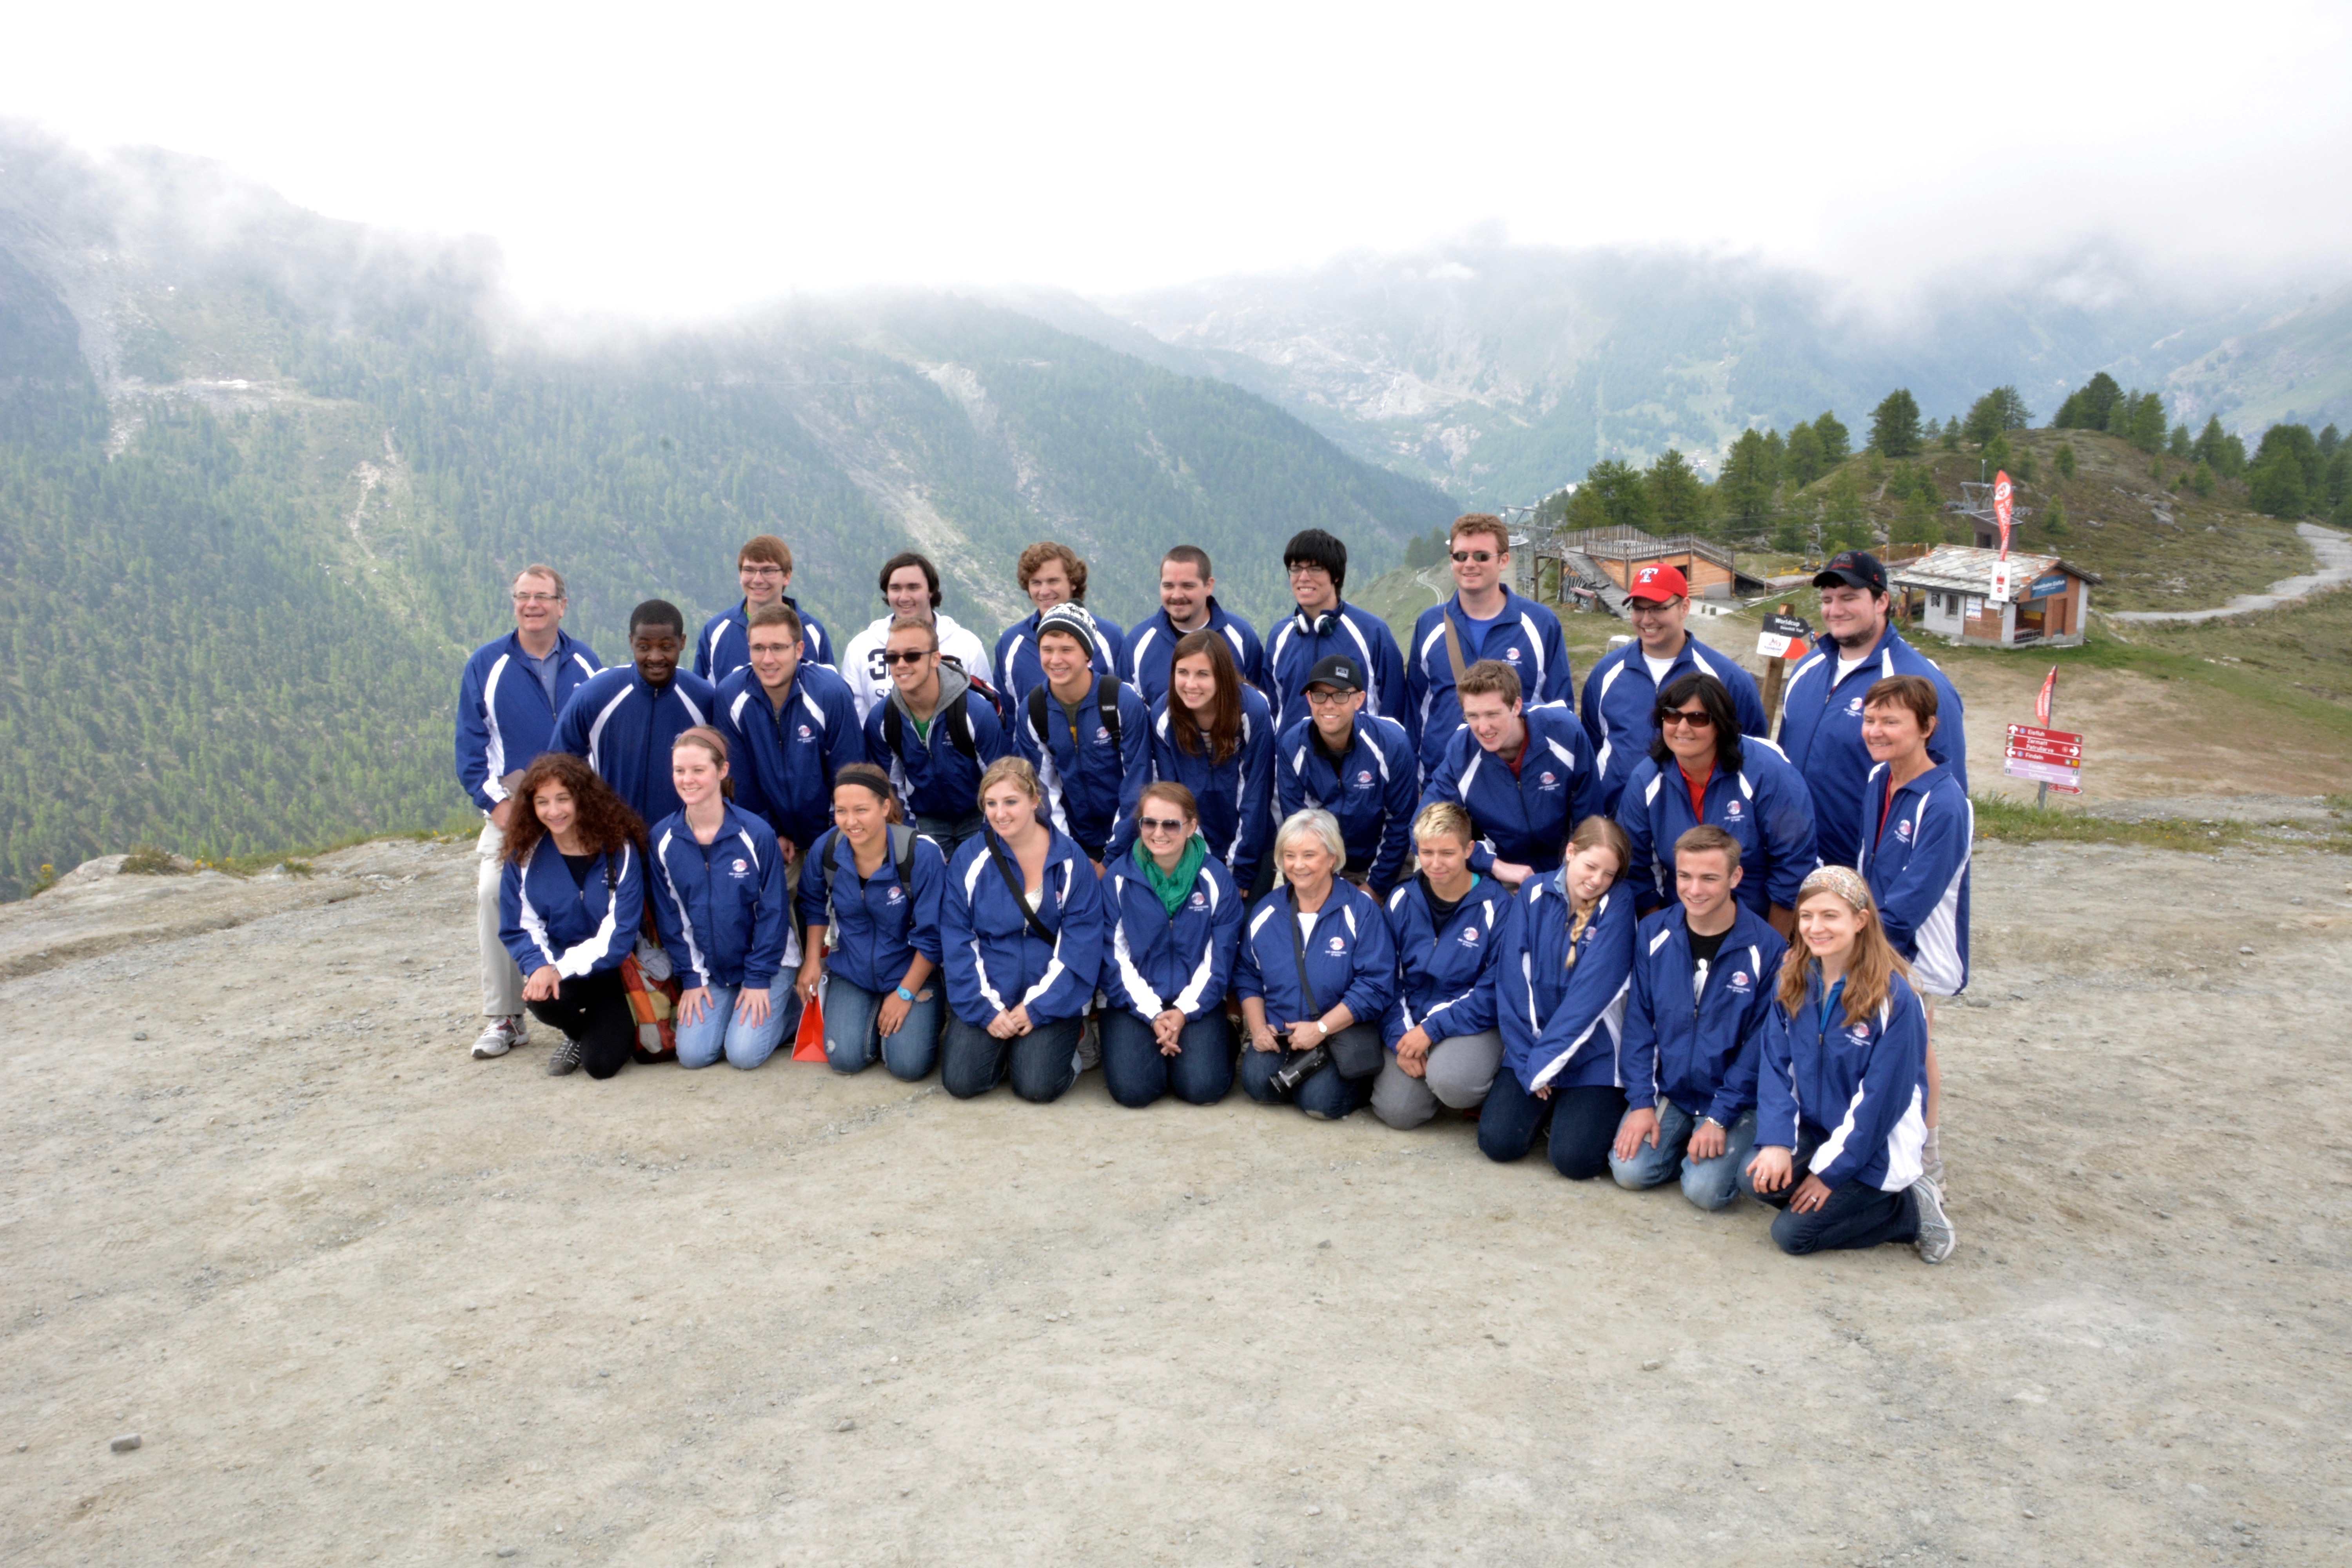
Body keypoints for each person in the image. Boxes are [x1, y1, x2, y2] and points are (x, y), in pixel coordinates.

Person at [1740, 866, 1954, 1262]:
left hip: (1877, 1142)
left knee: (1792, 1235)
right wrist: (1777, 1142)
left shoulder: (1894, 998)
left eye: (1830, 916)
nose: (1815, 927)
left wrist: (1828, 1175)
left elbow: (1881, 1102)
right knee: (1755, 1179)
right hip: (1821, 1128)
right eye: (1807, 916)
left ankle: (1909, 1211)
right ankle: (1845, 1198)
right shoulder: (1792, 979)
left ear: (1860, 921)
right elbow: (1776, 1069)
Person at [455, 564, 603, 1060]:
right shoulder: (487, 664)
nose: (531, 605)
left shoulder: (586, 663)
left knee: (590, 895)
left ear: (563, 604)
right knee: (494, 892)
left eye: (542, 596)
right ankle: (506, 1016)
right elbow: (471, 749)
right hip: (514, 811)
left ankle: (589, 1002)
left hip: (577, 812)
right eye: (523, 596)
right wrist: (498, 807)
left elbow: (599, 739)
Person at [1608, 826, 1788, 1209]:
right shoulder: (1654, 932)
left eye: (1709, 878)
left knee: (1705, 1192)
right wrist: (1641, 1103)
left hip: (1734, 1099)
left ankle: (1715, 1145)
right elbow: (1639, 1023)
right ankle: (1683, 1145)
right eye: (1685, 876)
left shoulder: (1768, 948)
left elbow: (1761, 1046)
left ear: (1735, 877)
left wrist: (1720, 1118)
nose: (1694, 889)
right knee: (1629, 1172)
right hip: (1672, 1090)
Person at [1777, 550, 1967, 870]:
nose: (1835, 610)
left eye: (1849, 598)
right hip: (1793, 864)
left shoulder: (1920, 681)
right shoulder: (1806, 668)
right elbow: (1783, 765)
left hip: (1866, 874)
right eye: (1827, 600)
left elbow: (1949, 797)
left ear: (1882, 602)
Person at [1857, 674, 1972, 1188]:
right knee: (1893, 1049)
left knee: (1916, 1054)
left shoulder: (1944, 803)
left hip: (1915, 952)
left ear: (1927, 727)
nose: (1876, 731)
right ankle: (1886, 1149)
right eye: (1870, 719)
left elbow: (1914, 898)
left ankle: (1929, 1165)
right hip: (1876, 939)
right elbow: (1867, 864)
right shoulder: (1878, 779)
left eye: (1891, 721)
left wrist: (1855, 946)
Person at [939, 757, 1106, 1103]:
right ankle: (1009, 1050)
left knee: (1036, 1087)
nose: (1000, 814)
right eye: (991, 804)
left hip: (1050, 993)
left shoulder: (1072, 860)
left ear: (1034, 800)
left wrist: (1037, 1008)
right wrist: (985, 1009)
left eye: (1011, 802)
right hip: (990, 990)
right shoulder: (970, 858)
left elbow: (1081, 946)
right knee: (962, 1082)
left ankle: (1072, 1042)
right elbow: (958, 939)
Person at [1481, 817, 1638, 1177]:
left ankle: (1576, 1111)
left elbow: (1591, 998)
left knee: (1574, 1161)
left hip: (1594, 1051)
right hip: (1532, 1045)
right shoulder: (1533, 892)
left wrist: (1542, 1066)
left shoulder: (1619, 902)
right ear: (1570, 852)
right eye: (1590, 866)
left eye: (1609, 873)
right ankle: (1555, 1109)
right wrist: (1528, 1059)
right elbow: (1513, 981)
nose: (1597, 880)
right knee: (1498, 1143)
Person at [1616, 672, 1817, 934]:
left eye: (1698, 718)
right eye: (1672, 716)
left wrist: (1774, 946)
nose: (1682, 728)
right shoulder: (1646, 780)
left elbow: (1794, 864)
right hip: (1681, 924)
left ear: (1721, 725)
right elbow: (1637, 868)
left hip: (1760, 922)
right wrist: (1662, 937)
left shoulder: (1769, 774)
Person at [646, 728, 797, 1071]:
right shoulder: (663, 839)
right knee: (693, 1056)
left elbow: (773, 913)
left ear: (722, 770)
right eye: (680, 771)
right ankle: (738, 1015)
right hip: (714, 970)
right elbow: (672, 918)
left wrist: (758, 979)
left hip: (768, 964)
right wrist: (693, 978)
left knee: (743, 1055)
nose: (688, 780)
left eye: (698, 770)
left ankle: (790, 1007)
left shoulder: (756, 834)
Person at [1236, 809, 1398, 1122]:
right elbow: (1247, 973)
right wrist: (1257, 1028)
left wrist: (1321, 1029)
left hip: (1338, 1033)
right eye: (1290, 855)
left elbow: (1375, 986)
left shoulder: (1361, 911)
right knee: (1258, 1085)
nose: (1298, 865)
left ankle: (1357, 1081)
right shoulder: (1266, 910)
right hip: (1284, 1032)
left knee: (1319, 1102)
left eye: (1309, 855)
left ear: (1333, 858)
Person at [795, 763, 949, 1082]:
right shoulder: (827, 850)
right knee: (844, 1060)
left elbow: (934, 934)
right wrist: (811, 961)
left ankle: (915, 1022)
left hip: (910, 971)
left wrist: (905, 993)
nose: (851, 822)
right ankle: (875, 1022)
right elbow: (814, 906)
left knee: (908, 1067)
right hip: (853, 972)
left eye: (862, 810)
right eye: (841, 811)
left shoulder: (919, 853)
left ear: (885, 807)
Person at [497, 753, 646, 1080]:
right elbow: (520, 926)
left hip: (612, 971)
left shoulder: (618, 850)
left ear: (583, 798)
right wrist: (540, 966)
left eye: (563, 799)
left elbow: (619, 935)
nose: (554, 811)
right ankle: (577, 1033)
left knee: (601, 1066)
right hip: (560, 967)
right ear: (531, 806)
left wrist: (557, 970)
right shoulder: (524, 855)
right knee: (540, 997)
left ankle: (606, 1029)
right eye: (543, 802)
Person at [1579, 562, 1769, 816]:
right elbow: (1592, 746)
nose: (1647, 619)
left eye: (1658, 608)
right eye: (1638, 608)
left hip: (1697, 826)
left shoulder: (1728, 678)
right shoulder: (1606, 673)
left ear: (1685, 607)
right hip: (1617, 821)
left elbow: (1753, 754)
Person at [1098, 782, 1244, 1108]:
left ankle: (1222, 1037)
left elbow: (1220, 960)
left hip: (1195, 997)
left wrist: (1182, 1011)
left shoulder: (1216, 879)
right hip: (1134, 999)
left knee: (1202, 1088)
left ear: (1192, 827)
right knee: (1134, 1091)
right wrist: (1154, 1014)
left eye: (1171, 824)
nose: (1158, 833)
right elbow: (1113, 959)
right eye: (1149, 823)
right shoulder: (1118, 879)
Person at [1369, 803, 1512, 1131]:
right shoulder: (1401, 899)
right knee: (1399, 1113)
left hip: (1470, 1021)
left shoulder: (1498, 906)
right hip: (1411, 1019)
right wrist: (1401, 1038)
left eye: (1447, 853)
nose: (1436, 863)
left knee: (1454, 1085)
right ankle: (1429, 1071)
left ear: (1469, 850)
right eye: (1427, 853)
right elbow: (1384, 978)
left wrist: (1432, 1030)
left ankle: (1481, 1070)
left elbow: (1495, 990)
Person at [1405, 513, 1573, 781]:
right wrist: (1413, 778)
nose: (1469, 564)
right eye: (1461, 556)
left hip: (1517, 780)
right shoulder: (1429, 625)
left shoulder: (1541, 625)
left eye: (1482, 556)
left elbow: (1558, 712)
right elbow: (1415, 711)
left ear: (1503, 560)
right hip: (1444, 781)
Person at [1119, 631, 1275, 894]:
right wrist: (1204, 861)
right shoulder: (1164, 715)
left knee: (1244, 917)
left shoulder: (1252, 711)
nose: (1191, 684)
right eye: (1183, 673)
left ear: (1222, 676)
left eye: (1203, 674)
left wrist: (1241, 870)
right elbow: (1176, 799)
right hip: (1193, 846)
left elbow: (1255, 795)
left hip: (1253, 847)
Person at [1420, 659, 1600, 887]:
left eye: (1492, 714)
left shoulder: (1564, 732)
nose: (1483, 728)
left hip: (1567, 867)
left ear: (1516, 707)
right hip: (1502, 876)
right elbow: (1421, 831)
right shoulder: (1462, 752)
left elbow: (1591, 818)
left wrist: (1571, 873)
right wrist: (1493, 865)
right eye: (1472, 716)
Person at [715, 601, 865, 860]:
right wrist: (771, 833)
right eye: (758, 648)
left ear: (799, 650)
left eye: (778, 648)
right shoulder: (731, 696)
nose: (768, 659)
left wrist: (833, 837)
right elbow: (739, 779)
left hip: (834, 835)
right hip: (771, 841)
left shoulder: (830, 693)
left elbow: (850, 771)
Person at [552, 599, 717, 829]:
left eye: (666, 647)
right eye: (644, 647)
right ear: (631, 642)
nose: (655, 657)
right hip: (611, 837)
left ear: (682, 642)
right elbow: (559, 765)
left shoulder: (703, 699)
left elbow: (725, 773)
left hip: (681, 839)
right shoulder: (595, 695)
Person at [1009, 604, 1151, 869]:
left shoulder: (1120, 701)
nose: (1055, 660)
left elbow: (1138, 784)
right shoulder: (1034, 710)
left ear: (1087, 653)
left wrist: (1111, 858)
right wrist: (1071, 855)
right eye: (1047, 650)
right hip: (1074, 842)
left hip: (1132, 841)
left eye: (1067, 650)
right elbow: (1043, 790)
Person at [862, 614, 1009, 857]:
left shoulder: (974, 712)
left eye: (912, 656)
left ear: (935, 659)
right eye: (892, 657)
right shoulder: (883, 720)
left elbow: (1000, 780)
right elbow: (891, 789)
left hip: (979, 813)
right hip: (925, 818)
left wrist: (989, 834)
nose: (901, 664)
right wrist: (910, 835)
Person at [1273, 654, 1418, 897]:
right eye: (1320, 695)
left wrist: (1374, 888)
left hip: (1387, 861)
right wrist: (1334, 889)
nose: (1329, 705)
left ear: (1359, 699)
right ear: (1309, 698)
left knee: (1394, 916)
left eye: (1341, 695)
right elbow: (1301, 825)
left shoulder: (1392, 744)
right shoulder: (1292, 746)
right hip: (1322, 863)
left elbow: (1400, 822)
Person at [1265, 528, 1413, 749]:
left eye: (1315, 568)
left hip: (1362, 763)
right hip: (1294, 765)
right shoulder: (1279, 636)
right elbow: (1271, 711)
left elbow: (1393, 713)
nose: (1303, 577)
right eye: (1296, 569)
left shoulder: (1372, 633)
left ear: (1335, 575)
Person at [840, 552, 994, 722]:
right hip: (884, 739)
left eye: (913, 588)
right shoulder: (860, 648)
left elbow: (986, 710)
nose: (904, 597)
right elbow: (855, 718)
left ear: (931, 591)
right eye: (895, 588)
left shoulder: (967, 645)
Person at [1119, 545, 1267, 707]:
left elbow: (1261, 704)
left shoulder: (1241, 637)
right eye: (1168, 586)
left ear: (1209, 586)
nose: (1177, 595)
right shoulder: (1137, 643)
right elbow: (1127, 710)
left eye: (1188, 586)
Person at [992, 542, 1125, 719]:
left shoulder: (1110, 638)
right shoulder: (1010, 644)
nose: (1044, 591)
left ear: (1073, 582)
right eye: (1036, 583)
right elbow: (1005, 716)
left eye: (1053, 581)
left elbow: (1128, 704)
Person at [694, 534, 832, 681]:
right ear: (740, 574)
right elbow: (701, 692)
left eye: (768, 571)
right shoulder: (716, 632)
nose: (758, 580)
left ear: (787, 577)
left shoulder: (813, 632)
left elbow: (830, 690)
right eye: (749, 570)